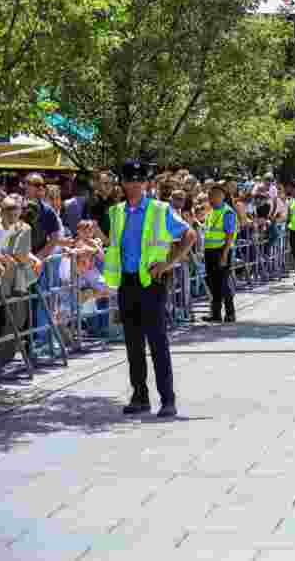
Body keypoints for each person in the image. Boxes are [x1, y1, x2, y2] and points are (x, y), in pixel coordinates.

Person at [104, 160, 196, 418]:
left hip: (151, 283)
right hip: (127, 282)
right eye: (129, 180)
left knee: (157, 342)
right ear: (123, 183)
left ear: (145, 183)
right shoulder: (117, 211)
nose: (133, 185)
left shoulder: (159, 209)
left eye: (138, 180)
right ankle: (139, 396)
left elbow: (189, 235)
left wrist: (168, 263)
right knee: (132, 343)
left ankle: (168, 399)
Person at [202, 183, 237, 323]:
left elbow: (229, 235)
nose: (211, 198)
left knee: (222, 283)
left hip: (221, 250)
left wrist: (224, 254)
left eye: (214, 195)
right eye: (210, 195)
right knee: (212, 283)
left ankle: (230, 313)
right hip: (209, 251)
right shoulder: (210, 212)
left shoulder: (227, 212)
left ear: (222, 196)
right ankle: (215, 313)